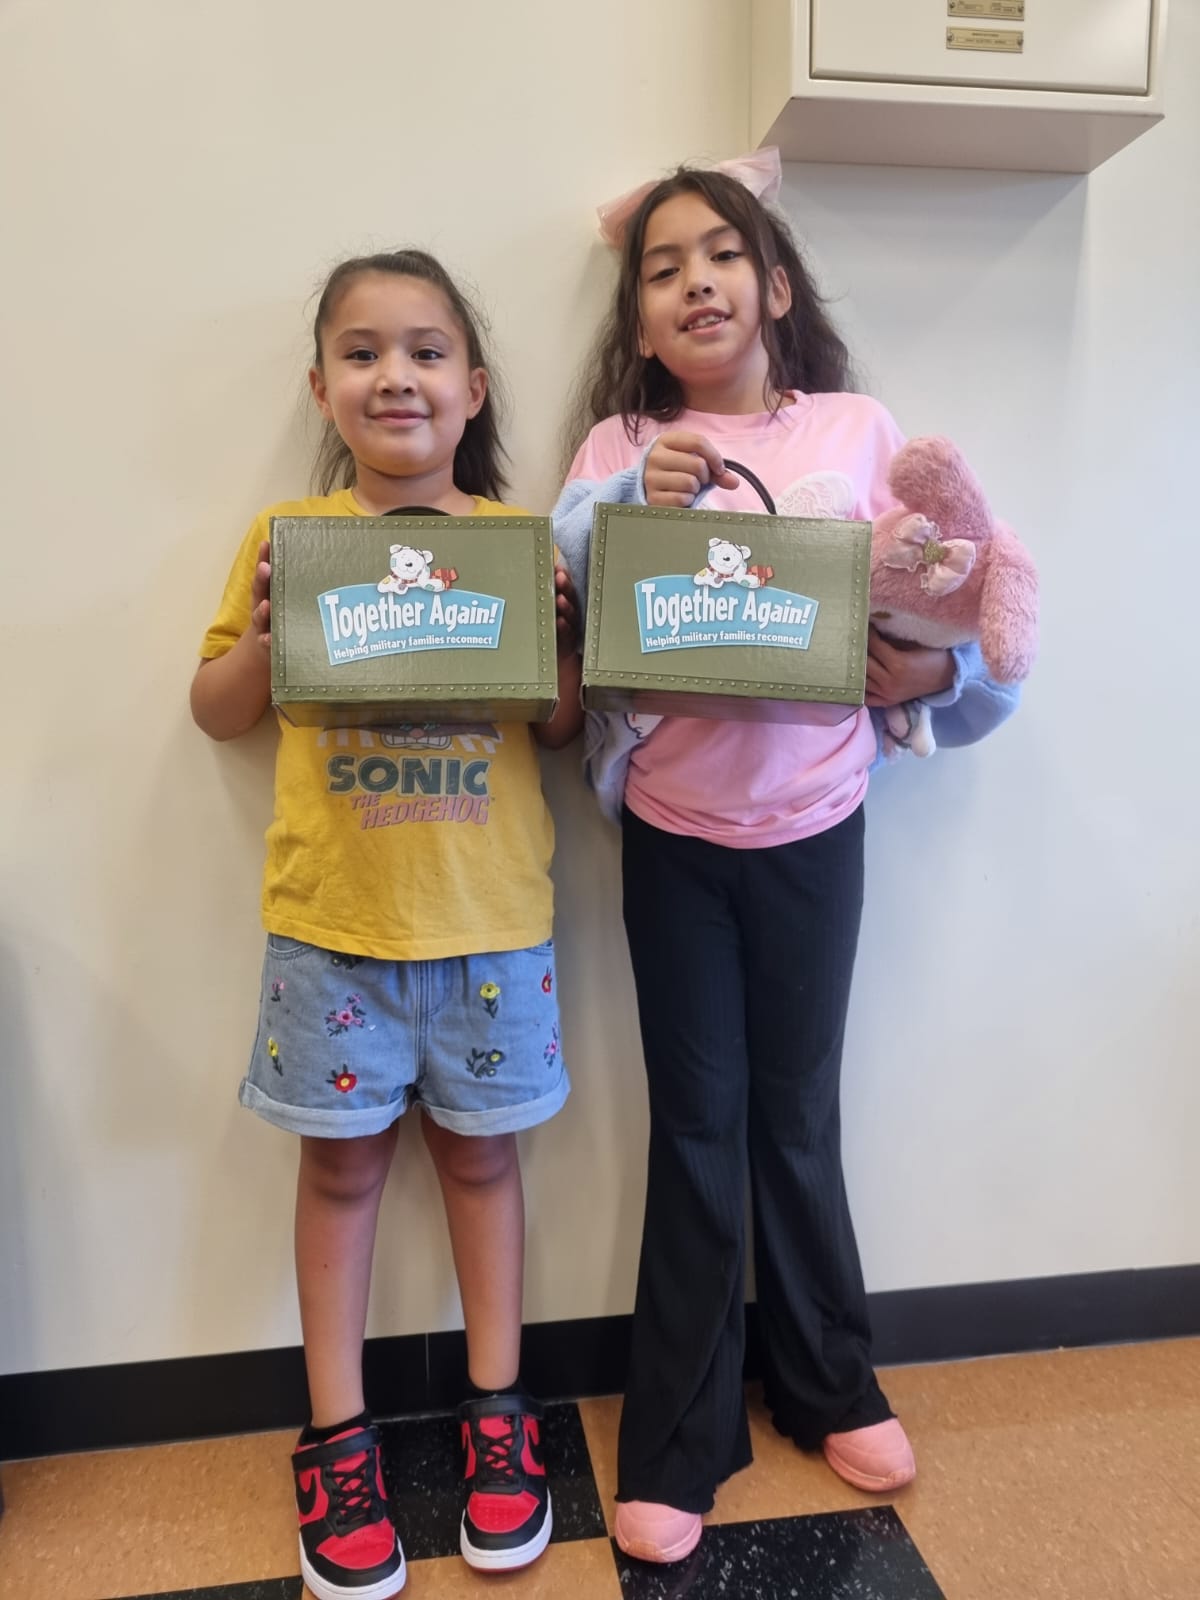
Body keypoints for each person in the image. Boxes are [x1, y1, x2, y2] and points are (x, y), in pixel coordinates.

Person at [553, 155, 1020, 1565]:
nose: (694, 282)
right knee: (697, 1126)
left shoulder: (857, 430)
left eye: (721, 255)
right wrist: (630, 493)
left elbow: (956, 590)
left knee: (799, 1114)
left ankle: (829, 1382)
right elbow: (561, 578)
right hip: (674, 838)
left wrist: (932, 672)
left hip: (820, 824)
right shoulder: (619, 444)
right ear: (639, 320)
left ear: (774, 286)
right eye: (662, 268)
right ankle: (677, 1437)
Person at [191, 248, 582, 1599]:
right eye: (361, 352)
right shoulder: (287, 539)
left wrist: (560, 641)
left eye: (426, 351)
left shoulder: (517, 543)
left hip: (490, 927)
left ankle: (498, 1415)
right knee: (341, 1175)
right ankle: (338, 1440)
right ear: (322, 388)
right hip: (332, 931)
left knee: (483, 1165)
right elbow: (216, 711)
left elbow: (563, 729)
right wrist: (261, 634)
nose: (395, 375)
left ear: (474, 387)